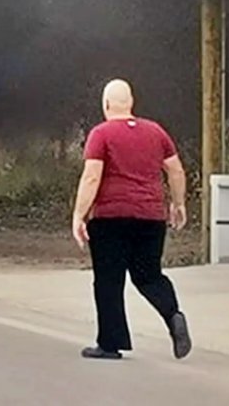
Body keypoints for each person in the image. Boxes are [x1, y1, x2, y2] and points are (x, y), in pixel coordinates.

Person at [71, 78, 192, 360]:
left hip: (110, 218)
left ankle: (110, 344)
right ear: (132, 103)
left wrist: (79, 214)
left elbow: (92, 176)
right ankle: (173, 314)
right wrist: (178, 204)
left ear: (106, 105)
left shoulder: (101, 134)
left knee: (109, 280)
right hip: (151, 218)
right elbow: (175, 170)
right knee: (148, 275)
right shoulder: (155, 132)